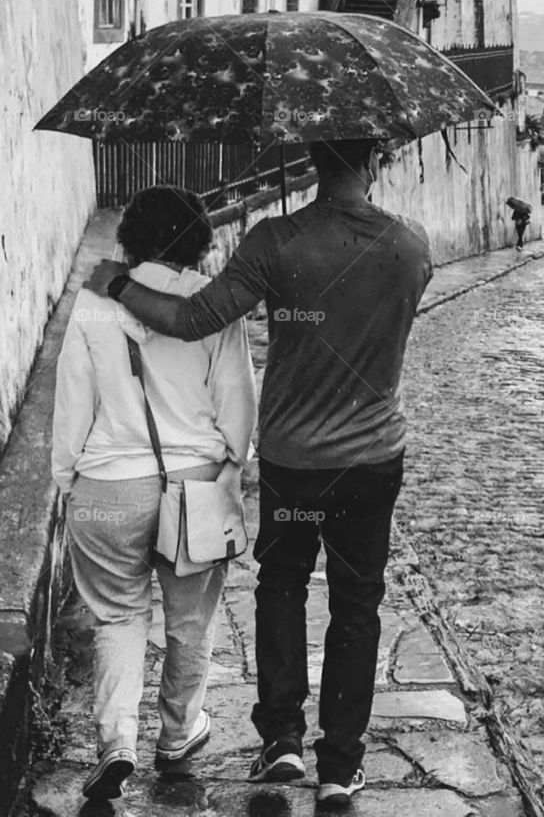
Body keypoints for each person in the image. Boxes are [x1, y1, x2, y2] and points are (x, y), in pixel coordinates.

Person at [84, 140, 432, 808]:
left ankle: (282, 742)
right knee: (358, 604)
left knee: (282, 586)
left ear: (313, 158)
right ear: (374, 160)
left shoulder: (274, 242)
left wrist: (119, 283)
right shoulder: (411, 246)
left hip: (293, 460)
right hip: (371, 460)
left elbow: (192, 319)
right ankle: (340, 766)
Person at [54, 187, 256, 802]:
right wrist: (233, 466)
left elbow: (72, 399)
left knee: (118, 614)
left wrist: (67, 480)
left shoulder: (95, 300)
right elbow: (238, 402)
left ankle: (117, 741)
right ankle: (178, 734)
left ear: (130, 240)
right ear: (200, 240)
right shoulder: (212, 303)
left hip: (107, 484)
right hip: (196, 482)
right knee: (191, 619)